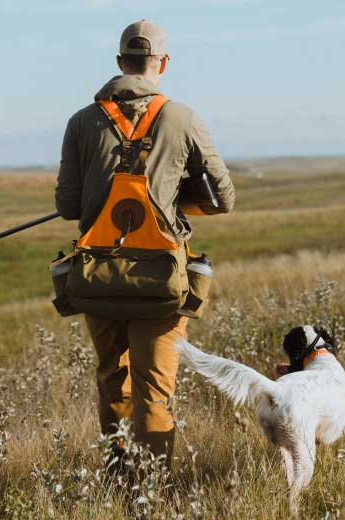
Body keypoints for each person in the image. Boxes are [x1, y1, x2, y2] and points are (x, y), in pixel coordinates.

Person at [55, 19, 235, 463]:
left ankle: (119, 488)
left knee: (113, 385)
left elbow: (68, 206)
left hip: (99, 277)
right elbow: (223, 200)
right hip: (161, 280)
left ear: (120, 62)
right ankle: (152, 492)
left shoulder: (81, 121)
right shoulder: (183, 118)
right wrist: (175, 200)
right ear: (163, 63)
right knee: (154, 394)